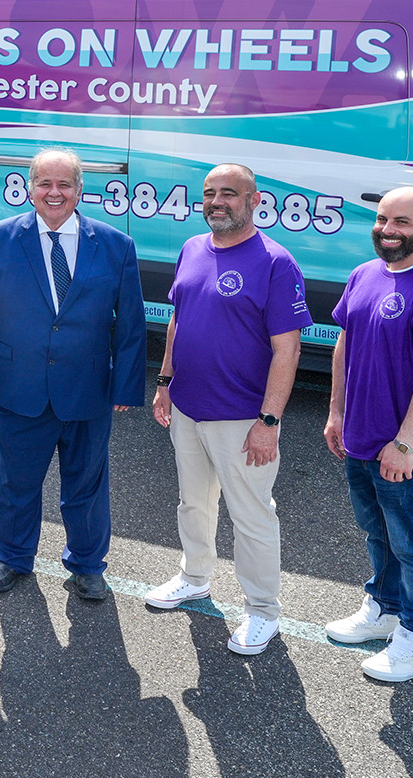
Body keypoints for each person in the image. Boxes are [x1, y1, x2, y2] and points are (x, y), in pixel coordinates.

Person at [0, 148, 147, 601]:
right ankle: (13, 558)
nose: (54, 192)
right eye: (45, 183)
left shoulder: (116, 246)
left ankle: (86, 565)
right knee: (16, 481)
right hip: (20, 386)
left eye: (65, 184)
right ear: (30, 188)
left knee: (86, 484)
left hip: (88, 390)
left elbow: (132, 324)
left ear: (80, 190)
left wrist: (126, 384)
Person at [147, 164, 310, 655]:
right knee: (193, 502)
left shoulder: (276, 263)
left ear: (254, 200)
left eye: (229, 194)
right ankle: (194, 577)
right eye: (210, 193)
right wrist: (165, 382)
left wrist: (268, 422)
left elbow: (289, 350)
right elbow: (179, 321)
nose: (218, 202)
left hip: (243, 419)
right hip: (189, 408)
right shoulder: (192, 249)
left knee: (252, 515)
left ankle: (263, 611)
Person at [322, 186, 413, 682]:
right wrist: (336, 411)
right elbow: (345, 342)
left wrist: (404, 443)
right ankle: (384, 609)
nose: (388, 231)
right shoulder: (364, 275)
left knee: (411, 542)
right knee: (376, 531)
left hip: (402, 449)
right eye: (383, 219)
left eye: (402, 222)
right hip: (359, 437)